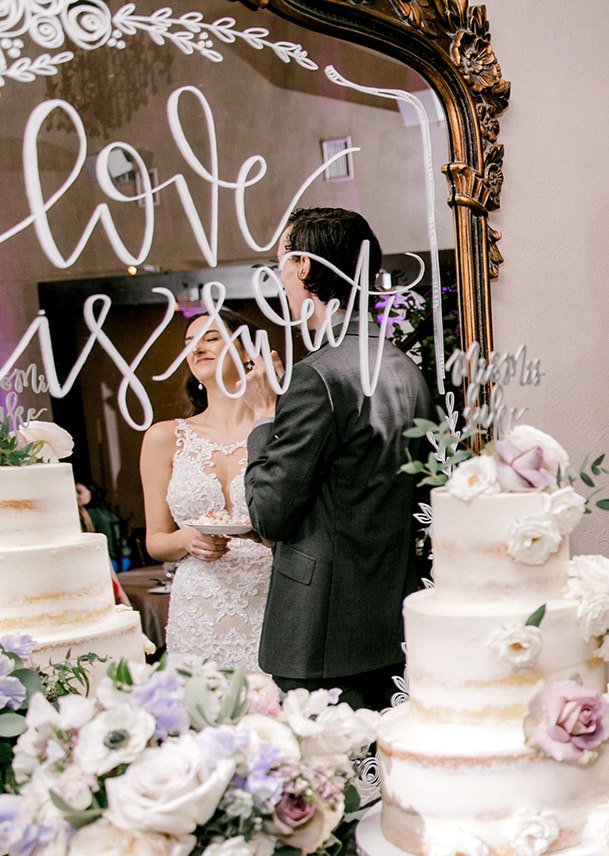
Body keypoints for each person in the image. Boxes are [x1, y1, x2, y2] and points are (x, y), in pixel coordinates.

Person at [242, 207, 432, 708]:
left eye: (279, 261)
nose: (278, 277)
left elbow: (268, 513)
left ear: (303, 266)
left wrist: (264, 415)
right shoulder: (405, 370)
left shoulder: (317, 374)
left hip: (319, 634)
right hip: (391, 620)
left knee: (332, 782)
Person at [139, 308, 273, 669]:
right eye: (190, 344)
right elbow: (156, 541)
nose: (197, 349)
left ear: (247, 351)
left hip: (271, 601)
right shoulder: (165, 437)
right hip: (199, 608)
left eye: (211, 338)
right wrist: (185, 541)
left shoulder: (278, 430)